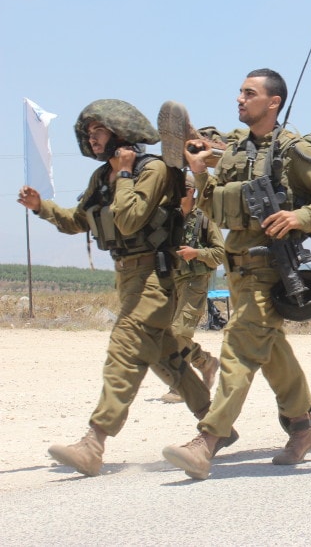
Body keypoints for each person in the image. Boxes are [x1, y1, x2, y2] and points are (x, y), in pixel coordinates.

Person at [162, 68, 311, 480]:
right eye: (239, 93)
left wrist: (299, 215)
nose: (240, 99)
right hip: (237, 269)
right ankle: (303, 426)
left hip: (270, 268)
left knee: (241, 349)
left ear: (273, 102)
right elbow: (213, 207)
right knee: (270, 348)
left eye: (249, 93)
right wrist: (199, 172)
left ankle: (207, 440)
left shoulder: (293, 150)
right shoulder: (233, 153)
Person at [18, 100, 214, 477]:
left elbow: (129, 220)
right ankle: (216, 421)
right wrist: (41, 206)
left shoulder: (151, 169)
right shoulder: (101, 179)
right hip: (127, 278)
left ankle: (94, 442)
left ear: (121, 133)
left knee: (125, 347)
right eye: (88, 135)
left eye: (99, 132)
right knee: (165, 357)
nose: (93, 140)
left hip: (156, 279)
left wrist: (124, 174)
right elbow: (79, 221)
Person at [160, 171, 226, 403]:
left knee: (180, 332)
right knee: (169, 334)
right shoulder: (172, 217)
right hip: (174, 281)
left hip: (195, 283)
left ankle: (181, 387)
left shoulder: (205, 218)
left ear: (190, 191)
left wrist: (196, 253)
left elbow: (220, 254)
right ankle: (205, 362)